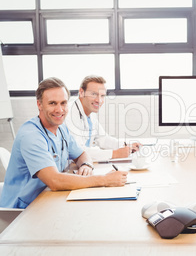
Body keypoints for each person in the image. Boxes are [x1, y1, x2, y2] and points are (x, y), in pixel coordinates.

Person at [0, 78, 128, 209]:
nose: (59, 110)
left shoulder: (61, 129)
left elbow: (82, 154)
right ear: (39, 105)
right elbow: (54, 180)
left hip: (47, 199)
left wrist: (86, 165)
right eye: (52, 103)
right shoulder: (31, 135)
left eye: (63, 103)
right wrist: (105, 180)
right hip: (21, 211)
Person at [65, 75, 140, 162]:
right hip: (70, 167)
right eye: (94, 94)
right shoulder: (69, 114)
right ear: (81, 92)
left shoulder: (90, 113)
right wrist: (114, 154)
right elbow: (78, 151)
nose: (99, 100)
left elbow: (103, 139)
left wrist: (126, 145)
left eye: (102, 96)